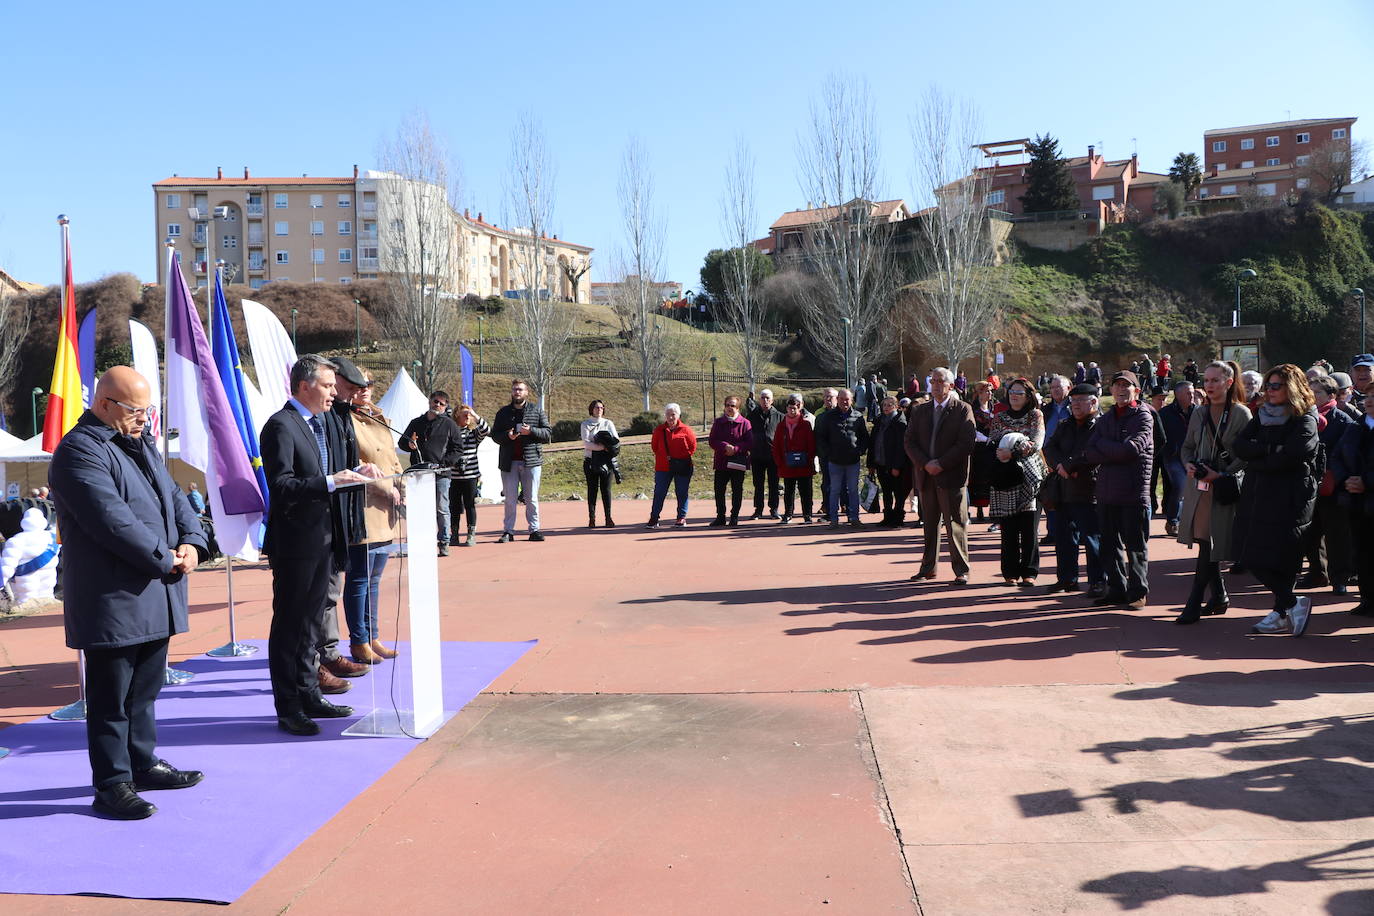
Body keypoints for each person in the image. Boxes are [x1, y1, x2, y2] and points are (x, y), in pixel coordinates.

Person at [49, 366, 208, 819]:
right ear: (104, 404)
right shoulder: (79, 451)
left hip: (154, 590)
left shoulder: (139, 444)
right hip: (113, 598)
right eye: (136, 411)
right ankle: (112, 783)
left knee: (144, 690)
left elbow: (175, 498)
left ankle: (142, 763)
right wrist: (167, 559)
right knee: (111, 697)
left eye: (148, 411)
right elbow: (112, 520)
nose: (144, 419)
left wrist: (193, 543)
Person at [260, 354, 378, 737]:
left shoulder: (323, 422)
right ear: (305, 385)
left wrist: (356, 474)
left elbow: (331, 471)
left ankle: (310, 695)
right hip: (296, 543)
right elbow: (281, 487)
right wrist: (330, 482)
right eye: (328, 386)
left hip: (327, 539)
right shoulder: (281, 426)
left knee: (312, 626)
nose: (335, 392)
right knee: (291, 627)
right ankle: (289, 706)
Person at [1231, 364, 1320, 636]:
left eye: (1275, 385)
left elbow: (1294, 455)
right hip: (1259, 494)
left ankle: (1282, 611)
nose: (1268, 391)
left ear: (1292, 387)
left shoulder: (1305, 419)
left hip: (1290, 498)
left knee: (1283, 559)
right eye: (1267, 385)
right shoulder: (1262, 416)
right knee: (1249, 555)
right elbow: (1240, 445)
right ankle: (1291, 604)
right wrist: (1269, 452)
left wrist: (1261, 457)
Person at [1173, 361, 1250, 624]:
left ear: (1229, 383)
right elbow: (1187, 447)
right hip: (1199, 489)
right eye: (1206, 381)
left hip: (1223, 488)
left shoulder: (1242, 414)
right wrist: (1190, 465)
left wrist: (1223, 474)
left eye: (1215, 380)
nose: (1209, 386)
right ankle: (1218, 596)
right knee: (1206, 543)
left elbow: (1246, 457)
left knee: (1209, 544)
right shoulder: (1198, 413)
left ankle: (1194, 602)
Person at [343, 368, 404, 664]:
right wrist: (388, 489)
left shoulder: (377, 416)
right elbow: (358, 464)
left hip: (386, 509)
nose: (366, 388)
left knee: (375, 578)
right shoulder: (345, 420)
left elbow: (391, 460)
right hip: (365, 506)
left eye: (370, 383)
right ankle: (358, 641)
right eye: (360, 384)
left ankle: (373, 636)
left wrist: (404, 485)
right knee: (359, 578)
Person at [1084, 370, 1154, 610]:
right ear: (1110, 390)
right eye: (1117, 386)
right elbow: (1090, 452)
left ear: (1137, 390)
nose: (1121, 390)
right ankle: (1117, 589)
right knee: (1108, 546)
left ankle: (1137, 593)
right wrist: (1112, 449)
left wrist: (1104, 447)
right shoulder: (1105, 419)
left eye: (1127, 386)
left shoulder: (1144, 416)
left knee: (1135, 547)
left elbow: (1131, 450)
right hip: (1106, 493)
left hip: (1134, 493)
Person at [905, 368, 976, 582]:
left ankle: (961, 571)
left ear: (951, 386)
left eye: (941, 381)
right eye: (933, 381)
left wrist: (941, 464)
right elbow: (909, 442)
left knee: (955, 524)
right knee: (930, 525)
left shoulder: (963, 410)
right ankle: (928, 568)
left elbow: (966, 443)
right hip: (926, 477)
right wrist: (926, 464)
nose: (936, 385)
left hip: (952, 477)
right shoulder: (920, 411)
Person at [1043, 383, 1103, 594]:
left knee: (1092, 538)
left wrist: (1069, 466)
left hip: (1089, 488)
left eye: (1081, 400)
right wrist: (1060, 466)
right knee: (1064, 537)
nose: (1075, 404)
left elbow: (1095, 452)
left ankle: (1098, 581)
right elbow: (1049, 447)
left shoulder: (1100, 425)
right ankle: (1067, 579)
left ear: (1094, 401)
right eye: (1073, 400)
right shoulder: (1065, 424)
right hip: (1063, 488)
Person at [1300, 375, 1355, 593]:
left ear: (1331, 395)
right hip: (1308, 485)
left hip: (1333, 486)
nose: (1313, 397)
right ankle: (1317, 574)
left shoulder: (1343, 420)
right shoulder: (1305, 417)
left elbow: (1348, 454)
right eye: (1310, 392)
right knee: (1310, 532)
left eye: (1318, 393)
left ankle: (1340, 578)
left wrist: (1333, 472)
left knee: (1336, 534)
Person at [988, 378, 1045, 586]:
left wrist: (1012, 452)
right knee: (1008, 528)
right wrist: (1003, 452)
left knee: (1029, 528)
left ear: (1028, 395)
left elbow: (1036, 442)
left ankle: (1030, 572)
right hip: (1005, 476)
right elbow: (992, 439)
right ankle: (1010, 572)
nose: (1014, 395)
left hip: (1030, 477)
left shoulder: (1035, 415)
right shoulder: (1000, 416)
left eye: (1019, 393)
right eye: (1012, 391)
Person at [398, 390, 462, 555]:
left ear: (446, 406)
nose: (437, 405)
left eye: (441, 403)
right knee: (418, 509)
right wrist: (409, 445)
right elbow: (402, 442)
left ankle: (443, 542)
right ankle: (418, 541)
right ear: (429, 401)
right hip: (418, 473)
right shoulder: (416, 422)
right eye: (435, 401)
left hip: (441, 474)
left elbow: (457, 449)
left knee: (441, 509)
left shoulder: (450, 425)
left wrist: (443, 464)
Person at [492, 379, 552, 542]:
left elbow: (547, 434)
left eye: (520, 389)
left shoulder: (536, 411)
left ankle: (534, 530)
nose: (517, 392)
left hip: (531, 462)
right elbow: (494, 435)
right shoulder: (503, 412)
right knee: (510, 499)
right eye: (514, 389)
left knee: (531, 498)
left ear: (526, 392)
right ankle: (508, 531)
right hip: (509, 462)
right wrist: (507, 436)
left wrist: (531, 431)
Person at [1333, 383, 1374, 617]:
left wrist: (1366, 482)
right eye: (1367, 396)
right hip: (1356, 503)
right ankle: (1367, 599)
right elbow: (1337, 456)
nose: (1369, 401)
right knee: (1362, 552)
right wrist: (1346, 480)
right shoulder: (1355, 427)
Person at [815, 388, 870, 528]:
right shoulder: (828, 417)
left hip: (853, 461)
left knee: (852, 490)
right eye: (841, 399)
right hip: (834, 461)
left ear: (851, 400)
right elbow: (821, 437)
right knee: (834, 490)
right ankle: (834, 520)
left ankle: (854, 518)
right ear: (837, 400)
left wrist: (860, 451)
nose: (844, 402)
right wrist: (827, 453)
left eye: (847, 399)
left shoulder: (858, 416)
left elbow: (864, 437)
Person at [647, 403, 697, 528]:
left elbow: (692, 447)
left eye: (673, 414)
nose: (670, 417)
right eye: (668, 415)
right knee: (659, 492)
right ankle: (654, 518)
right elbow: (654, 447)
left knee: (682, 492)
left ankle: (681, 517)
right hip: (663, 467)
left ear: (678, 415)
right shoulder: (659, 430)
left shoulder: (686, 430)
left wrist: (679, 457)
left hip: (682, 466)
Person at [1157, 381, 1195, 538]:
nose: (1192, 395)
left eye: (1192, 392)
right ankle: (1173, 521)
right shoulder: (1165, 413)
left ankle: (1187, 522)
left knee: (1192, 490)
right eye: (1188, 393)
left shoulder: (1199, 412)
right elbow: (1158, 436)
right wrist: (1167, 450)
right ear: (1178, 395)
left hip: (1193, 457)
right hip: (1173, 457)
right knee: (1180, 487)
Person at [449, 403, 491, 544]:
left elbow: (486, 429)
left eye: (469, 415)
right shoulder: (451, 433)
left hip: (471, 476)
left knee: (470, 505)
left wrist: (475, 414)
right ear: (457, 416)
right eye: (464, 414)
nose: (467, 416)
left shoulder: (473, 434)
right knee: (454, 506)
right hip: (454, 476)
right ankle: (454, 534)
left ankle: (471, 534)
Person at [707, 396, 752, 527]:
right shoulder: (718, 422)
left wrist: (736, 449)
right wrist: (724, 446)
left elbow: (750, 442)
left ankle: (734, 517)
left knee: (737, 490)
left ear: (737, 407)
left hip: (738, 462)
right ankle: (720, 516)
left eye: (732, 405)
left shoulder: (745, 423)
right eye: (727, 405)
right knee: (719, 490)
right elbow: (712, 440)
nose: (729, 408)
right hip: (722, 462)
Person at [868, 395, 910, 528]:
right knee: (886, 492)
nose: (886, 407)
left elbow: (901, 447)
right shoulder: (879, 421)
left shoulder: (900, 422)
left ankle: (898, 518)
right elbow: (873, 443)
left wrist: (897, 466)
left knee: (898, 492)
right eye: (884, 405)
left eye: (889, 405)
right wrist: (871, 463)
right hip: (881, 462)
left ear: (896, 406)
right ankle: (887, 517)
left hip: (895, 464)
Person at [774, 393, 817, 523]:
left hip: (804, 464)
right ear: (786, 409)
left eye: (795, 408)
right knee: (789, 491)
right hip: (787, 464)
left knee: (806, 491)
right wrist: (779, 461)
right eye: (790, 408)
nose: (792, 410)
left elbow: (811, 444)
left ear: (799, 408)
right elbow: (776, 445)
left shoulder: (805, 424)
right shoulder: (781, 426)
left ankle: (807, 514)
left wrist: (809, 458)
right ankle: (788, 514)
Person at [581, 400, 618, 529]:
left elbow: (616, 442)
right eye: (597, 407)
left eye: (601, 407)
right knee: (592, 490)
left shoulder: (608, 423)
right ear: (591, 409)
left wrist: (608, 447)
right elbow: (587, 444)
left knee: (606, 490)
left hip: (606, 462)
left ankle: (608, 518)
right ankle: (592, 518)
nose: (599, 409)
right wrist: (603, 447)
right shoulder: (585, 424)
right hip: (590, 461)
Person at [747, 389, 782, 520]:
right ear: (759, 400)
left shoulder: (779, 416)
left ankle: (774, 509)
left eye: (768, 398)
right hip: (757, 455)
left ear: (772, 400)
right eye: (762, 398)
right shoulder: (751, 416)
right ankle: (758, 509)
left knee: (774, 484)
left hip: (773, 456)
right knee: (758, 484)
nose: (765, 400)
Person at [814, 388, 838, 521]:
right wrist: (821, 452)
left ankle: (848, 511)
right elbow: (817, 435)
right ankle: (829, 511)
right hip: (825, 457)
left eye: (830, 397)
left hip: (841, 457)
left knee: (844, 485)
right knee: (827, 484)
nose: (828, 399)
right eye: (825, 397)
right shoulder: (819, 414)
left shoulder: (841, 414)